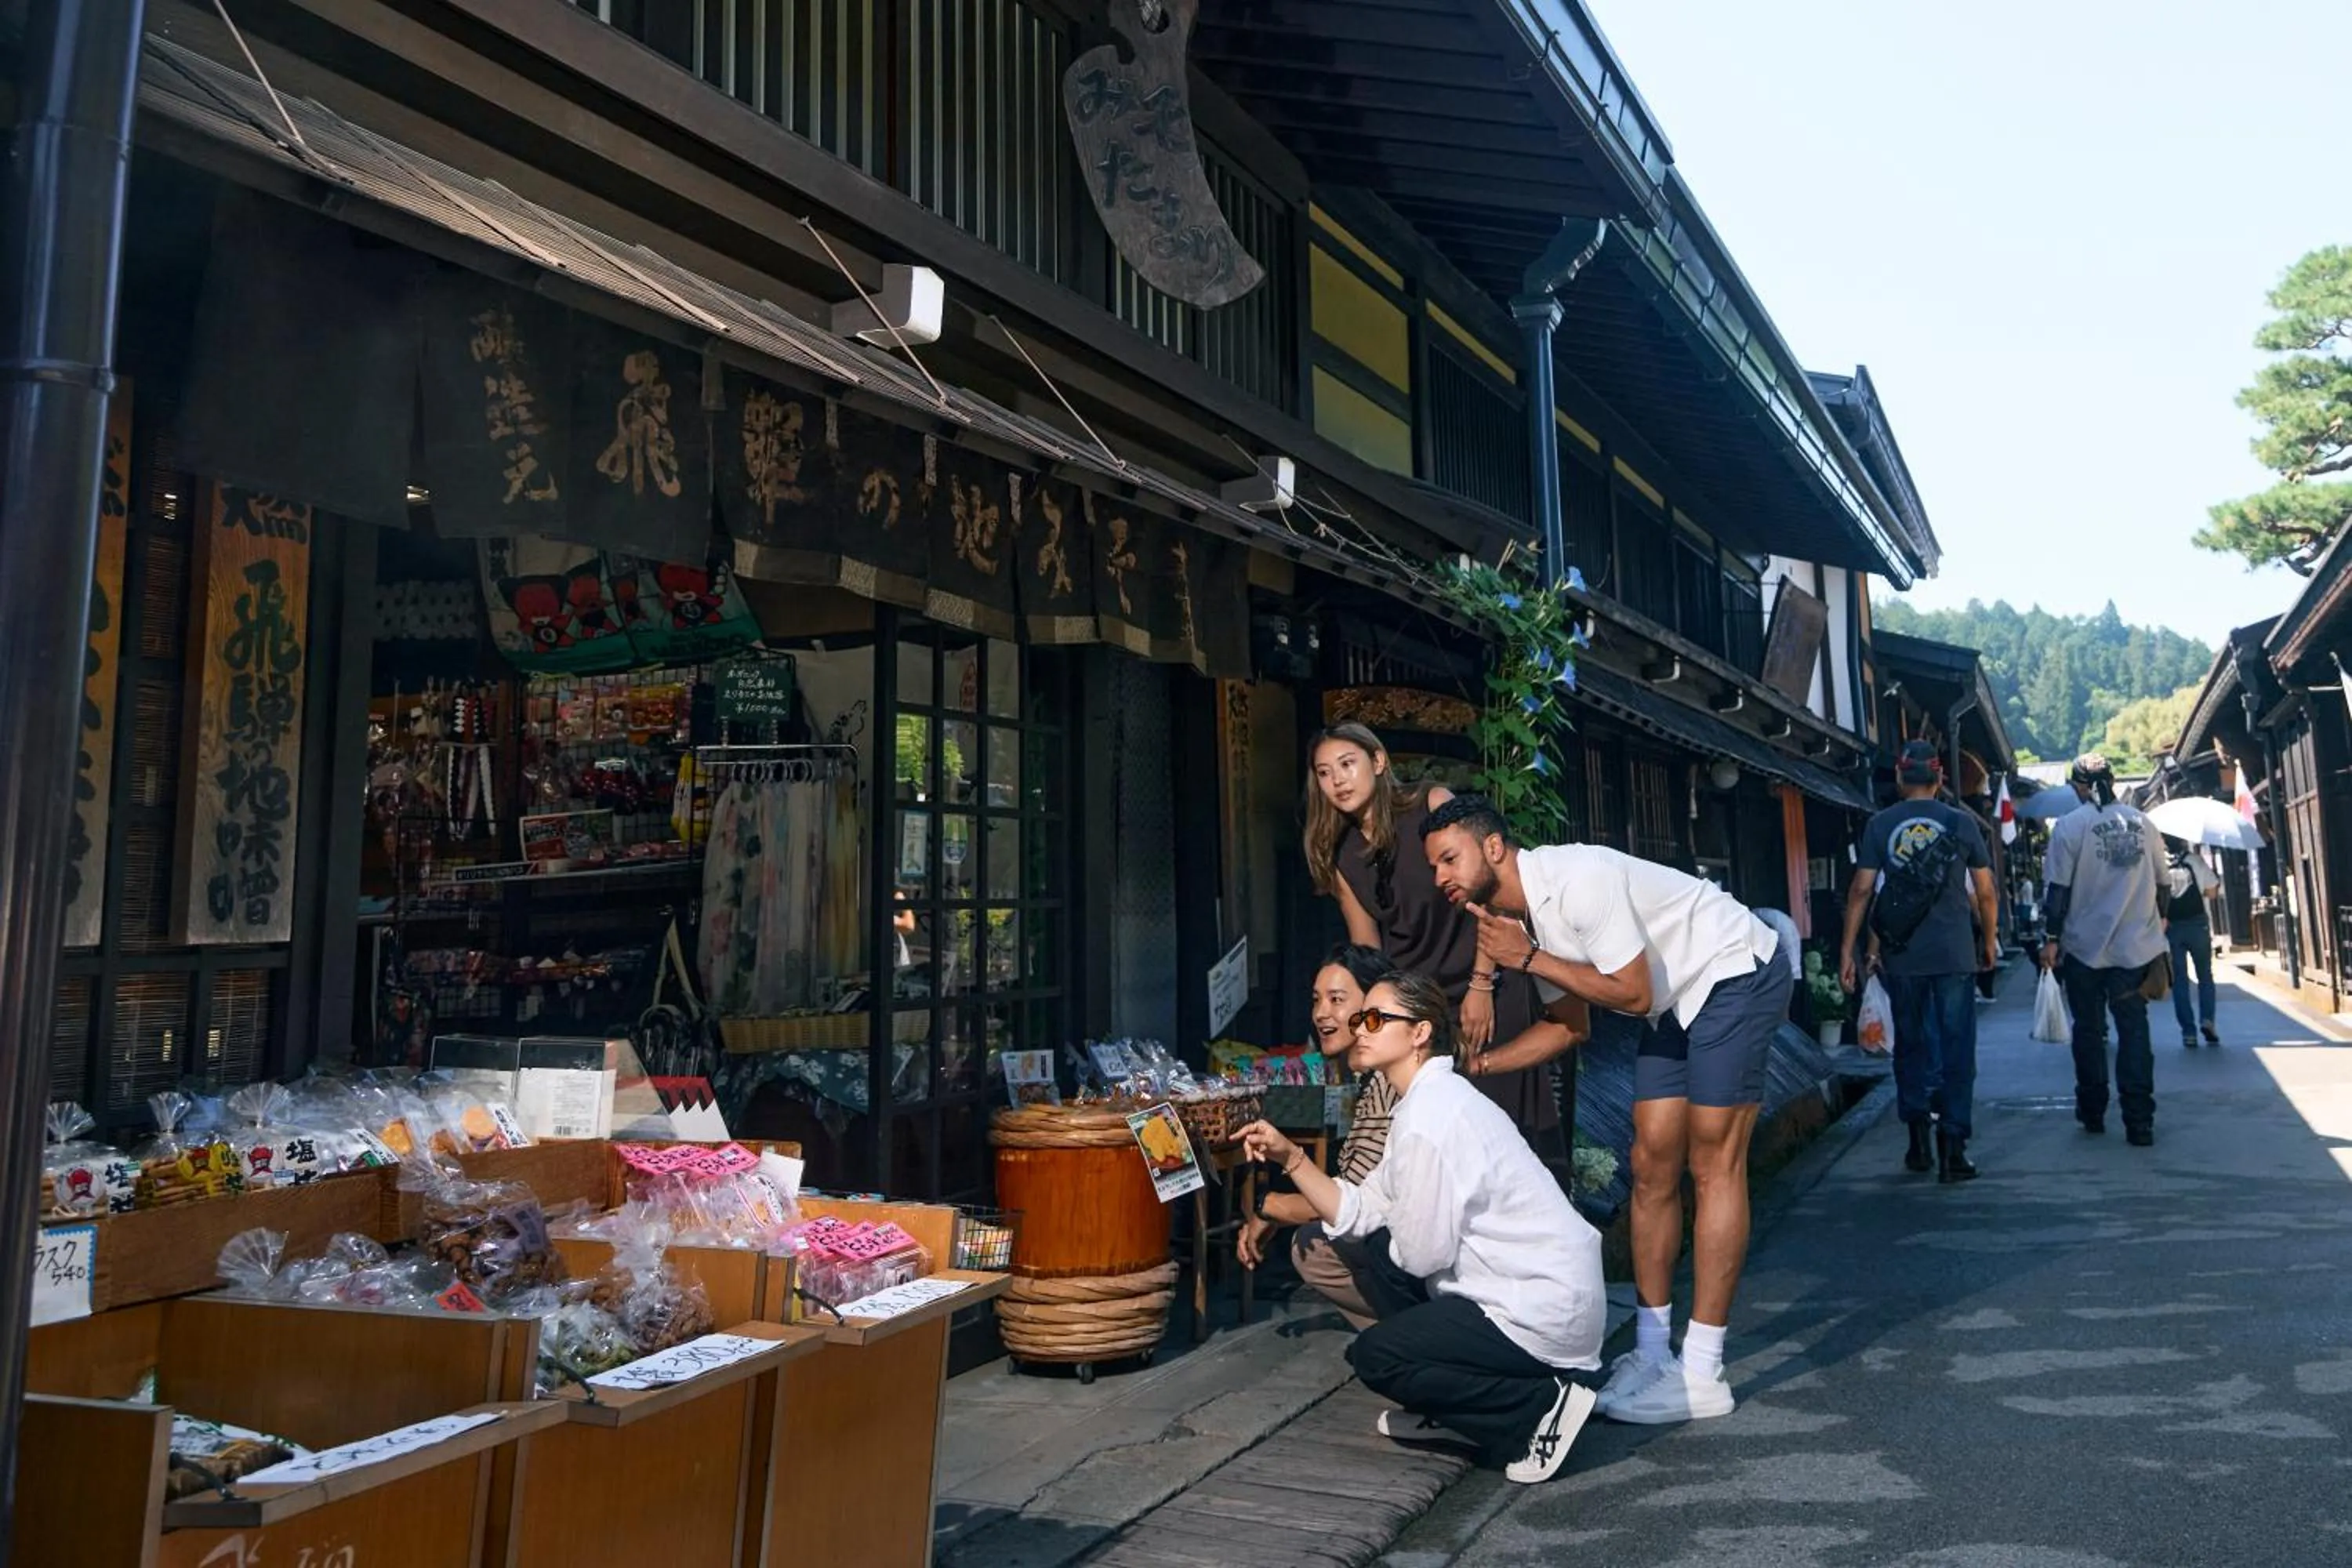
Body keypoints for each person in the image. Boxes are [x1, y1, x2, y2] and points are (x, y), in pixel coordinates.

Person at [1421, 793, 1790, 1426]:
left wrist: (1527, 961)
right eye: (1433, 867)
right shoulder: (1526, 925)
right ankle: (1651, 1353)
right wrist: (1480, 1066)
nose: (1440, 879)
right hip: (1673, 1003)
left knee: (1712, 1158)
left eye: (1448, 860)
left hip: (1734, 970)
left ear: (1492, 847)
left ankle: (1703, 1372)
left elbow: (1632, 988)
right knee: (1650, 1162)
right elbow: (1571, 1028)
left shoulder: (1577, 881)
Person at [1236, 972, 1606, 1485]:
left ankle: (1537, 1410)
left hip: (1539, 1307)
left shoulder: (1430, 1118)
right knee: (1372, 1246)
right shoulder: (1428, 1103)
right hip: (1535, 1295)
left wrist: (1396, 1232)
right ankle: (1441, 1399)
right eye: (1359, 1018)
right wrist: (1291, 1156)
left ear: (1419, 1033)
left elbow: (1422, 1256)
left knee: (1376, 1356)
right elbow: (1360, 1208)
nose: (1358, 1028)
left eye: (1375, 1018)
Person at [1304, 724, 1548, 1131]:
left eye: (1348, 764)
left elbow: (1490, 891)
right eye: (1325, 772)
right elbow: (1369, 951)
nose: (1338, 780)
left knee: (1502, 1125)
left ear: (1378, 761)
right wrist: (1371, 1024)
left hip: (1485, 981)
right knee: (1437, 1130)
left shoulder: (1430, 802)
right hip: (1418, 1005)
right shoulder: (1342, 855)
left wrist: (1482, 983)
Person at [1838, 739, 1999, 1182]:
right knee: (1955, 1049)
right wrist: (1989, 940)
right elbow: (1985, 891)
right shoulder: (1961, 823)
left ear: (1899, 778)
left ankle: (1917, 1143)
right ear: (1940, 778)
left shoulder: (1880, 825)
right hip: (1954, 955)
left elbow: (1862, 891)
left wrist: (1848, 952)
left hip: (1901, 956)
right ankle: (1954, 1148)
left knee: (1912, 1046)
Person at [1236, 944, 1398, 1328]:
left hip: (1422, 1247)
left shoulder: (1390, 1080)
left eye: (1337, 999)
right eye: (1316, 1000)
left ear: (1373, 1006)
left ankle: (1408, 1336)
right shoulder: (1369, 1078)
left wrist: (1273, 1206)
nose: (1322, 1013)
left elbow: (1356, 1200)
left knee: (1314, 1246)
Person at [2040, 753, 2170, 1146]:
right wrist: (2159, 921)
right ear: (2112, 781)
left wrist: (2051, 939)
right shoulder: (2143, 824)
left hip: (2084, 946)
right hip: (2135, 947)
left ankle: (2093, 1109)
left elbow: (2057, 890)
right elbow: (2164, 884)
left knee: (2090, 1030)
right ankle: (2140, 1119)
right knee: (2133, 1030)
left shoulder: (2070, 826)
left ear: (2079, 786)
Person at [2162, 835, 2222, 1048]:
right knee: (2205, 976)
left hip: (2173, 928)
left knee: (2179, 981)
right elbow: (2213, 891)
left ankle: (2188, 1032)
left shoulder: (2160, 864)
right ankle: (2207, 1020)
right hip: (2198, 926)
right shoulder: (2196, 861)